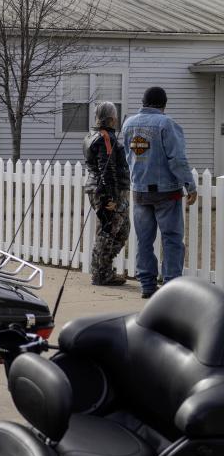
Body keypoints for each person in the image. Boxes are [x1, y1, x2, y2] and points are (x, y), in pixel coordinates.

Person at [121, 86, 197, 299]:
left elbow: (128, 156)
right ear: (164, 104)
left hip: (139, 190)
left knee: (144, 240)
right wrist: (190, 185)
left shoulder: (128, 124)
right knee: (171, 239)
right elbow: (177, 159)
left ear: (143, 102)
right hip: (166, 192)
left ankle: (147, 285)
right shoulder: (166, 124)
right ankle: (171, 287)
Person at [84, 101, 130, 287]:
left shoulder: (91, 135)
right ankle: (101, 274)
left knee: (120, 228)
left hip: (96, 187)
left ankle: (102, 269)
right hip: (107, 190)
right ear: (111, 118)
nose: (117, 119)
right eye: (115, 116)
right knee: (109, 229)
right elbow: (106, 168)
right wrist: (110, 197)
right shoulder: (105, 137)